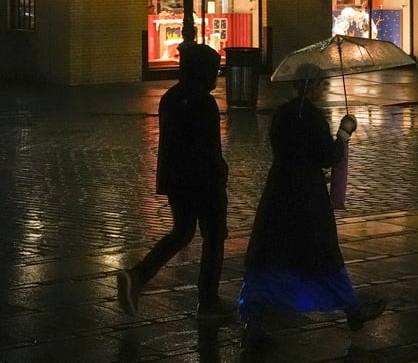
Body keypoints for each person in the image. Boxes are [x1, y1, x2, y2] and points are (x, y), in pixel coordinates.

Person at [238, 67, 384, 349]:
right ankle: (353, 310)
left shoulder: (281, 115)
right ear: (312, 85)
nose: (324, 88)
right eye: (322, 83)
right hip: (308, 198)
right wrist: (343, 133)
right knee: (325, 255)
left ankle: (252, 323)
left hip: (279, 192)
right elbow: (327, 156)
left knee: (270, 258)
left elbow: (288, 152)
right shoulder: (314, 118)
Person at [117, 43, 232, 320]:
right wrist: (220, 178)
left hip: (177, 181)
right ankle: (208, 300)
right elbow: (208, 150)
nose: (215, 76)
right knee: (214, 237)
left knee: (182, 232)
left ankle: (138, 276)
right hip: (203, 182)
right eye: (213, 70)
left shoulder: (172, 97)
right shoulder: (203, 103)